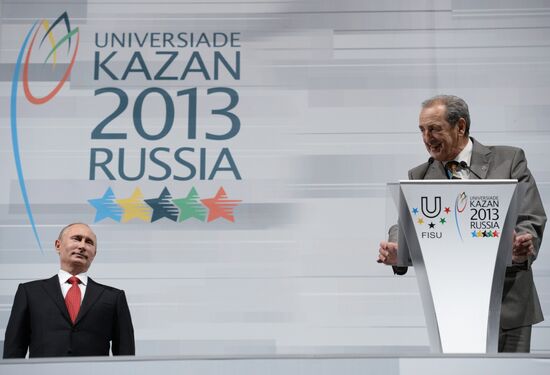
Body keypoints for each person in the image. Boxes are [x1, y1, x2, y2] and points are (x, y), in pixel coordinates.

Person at [377, 95, 546, 352]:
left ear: (461, 127)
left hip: (508, 303)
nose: (426, 138)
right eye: (422, 130)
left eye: (434, 129)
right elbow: (406, 221)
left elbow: (530, 217)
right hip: (451, 307)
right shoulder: (420, 176)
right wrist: (398, 247)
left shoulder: (509, 160)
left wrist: (521, 246)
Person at [3, 223, 135, 358]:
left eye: (89, 242)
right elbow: (14, 349)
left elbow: (125, 353)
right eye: (77, 239)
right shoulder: (29, 293)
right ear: (58, 245)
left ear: (94, 253)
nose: (82, 246)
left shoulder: (113, 297)